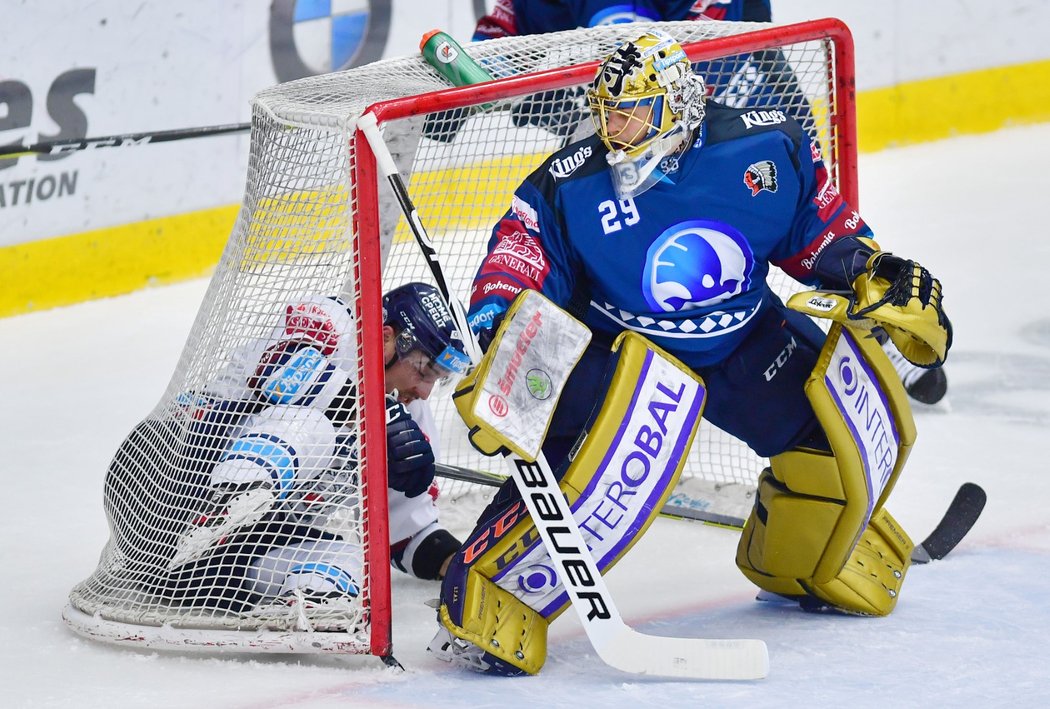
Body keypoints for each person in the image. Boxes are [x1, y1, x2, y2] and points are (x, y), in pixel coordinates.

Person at [430, 30, 952, 675]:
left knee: (825, 448)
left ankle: (801, 561)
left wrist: (873, 271)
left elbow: (818, 236)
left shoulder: (766, 145)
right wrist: (499, 331)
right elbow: (519, 261)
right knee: (588, 479)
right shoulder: (569, 186)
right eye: (607, 113)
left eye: (634, 112)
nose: (617, 130)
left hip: (742, 340)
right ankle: (490, 587)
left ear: (680, 104)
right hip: (622, 356)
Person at [469, 0, 948, 405]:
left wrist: (669, 80)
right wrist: (476, 86)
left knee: (801, 214)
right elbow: (500, 35)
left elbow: (715, 13)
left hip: (737, 86)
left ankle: (875, 335)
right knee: (611, 246)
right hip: (627, 112)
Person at [104, 282, 470, 615]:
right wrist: (378, 414)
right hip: (163, 477)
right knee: (313, 429)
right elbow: (283, 369)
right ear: (387, 338)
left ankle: (298, 605)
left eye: (437, 379)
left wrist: (462, 562)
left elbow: (404, 531)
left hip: (211, 559)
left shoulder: (411, 420)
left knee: (349, 562)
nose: (424, 391)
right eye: (422, 370)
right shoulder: (336, 322)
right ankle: (226, 503)